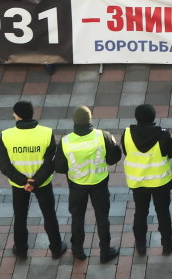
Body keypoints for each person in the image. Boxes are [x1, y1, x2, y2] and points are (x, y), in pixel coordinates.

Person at [0, 100, 67, 259]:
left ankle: (21, 250)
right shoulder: (47, 133)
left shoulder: (7, 135)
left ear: (17, 115)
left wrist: (24, 181)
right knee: (49, 215)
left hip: (18, 185)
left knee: (20, 217)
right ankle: (56, 248)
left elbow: (4, 164)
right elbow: (50, 162)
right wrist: (34, 181)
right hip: (43, 183)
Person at [56, 105, 121, 263]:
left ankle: (78, 250)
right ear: (90, 119)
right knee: (102, 218)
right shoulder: (103, 136)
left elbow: (59, 167)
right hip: (99, 183)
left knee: (77, 217)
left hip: (77, 185)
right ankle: (105, 251)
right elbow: (114, 157)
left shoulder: (65, 142)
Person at [122, 104, 172, 256]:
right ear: (153, 118)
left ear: (137, 117)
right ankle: (167, 244)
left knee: (140, 212)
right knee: (163, 213)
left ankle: (140, 245)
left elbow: (126, 151)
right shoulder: (163, 135)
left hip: (138, 182)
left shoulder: (127, 134)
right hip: (160, 182)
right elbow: (171, 153)